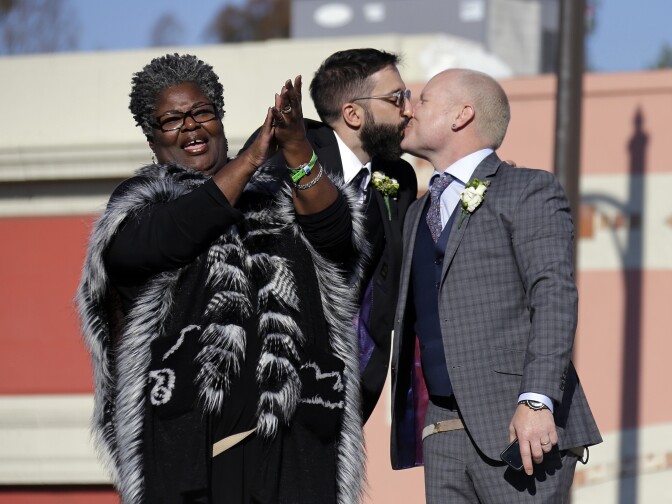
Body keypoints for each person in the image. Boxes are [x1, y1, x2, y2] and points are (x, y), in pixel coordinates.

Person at [76, 53, 368, 504]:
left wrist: (296, 150)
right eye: (171, 119)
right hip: (192, 447)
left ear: (219, 116)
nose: (190, 128)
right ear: (151, 135)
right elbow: (176, 234)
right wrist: (252, 157)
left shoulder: (277, 198)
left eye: (201, 113)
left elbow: (336, 236)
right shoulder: (140, 209)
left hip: (298, 443)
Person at [389, 68, 602, 503]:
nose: (409, 109)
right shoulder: (415, 214)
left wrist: (537, 401)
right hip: (443, 431)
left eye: (424, 100)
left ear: (462, 115)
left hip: (518, 427)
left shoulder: (527, 190)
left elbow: (554, 296)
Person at [243, 48, 417, 422]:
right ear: (353, 114)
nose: (408, 109)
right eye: (396, 98)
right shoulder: (288, 152)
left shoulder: (399, 177)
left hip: (353, 384)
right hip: (274, 380)